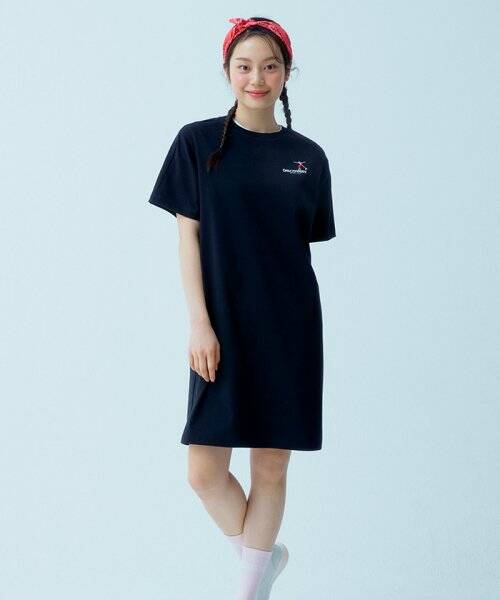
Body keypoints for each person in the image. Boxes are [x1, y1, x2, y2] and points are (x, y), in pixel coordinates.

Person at [148, 16, 336, 600]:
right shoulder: (197, 143)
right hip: (221, 327)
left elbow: (300, 248)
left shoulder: (308, 157)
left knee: (271, 465)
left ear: (287, 73)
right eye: (245, 66)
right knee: (203, 470)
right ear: (227, 71)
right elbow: (188, 237)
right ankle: (263, 560)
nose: (257, 78)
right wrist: (199, 324)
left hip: (289, 328)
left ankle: (249, 590)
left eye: (270, 66)